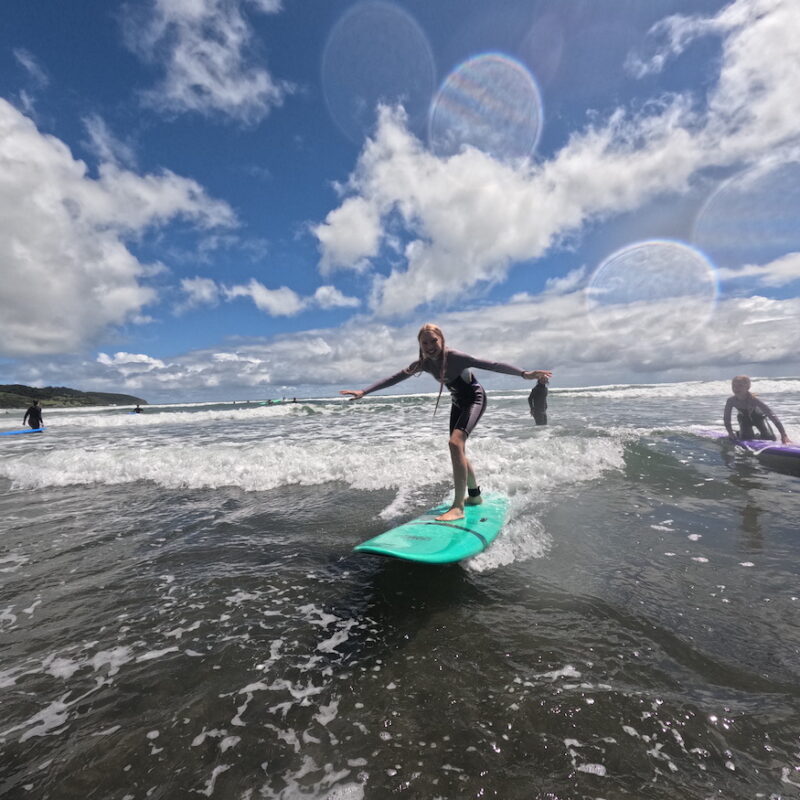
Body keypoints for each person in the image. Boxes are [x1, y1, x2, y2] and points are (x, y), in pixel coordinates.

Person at [340, 323, 552, 522]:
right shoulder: (424, 363)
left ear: (441, 340)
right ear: (420, 345)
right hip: (457, 402)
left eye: (433, 341)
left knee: (455, 444)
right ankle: (474, 496)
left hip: (474, 399)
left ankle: (458, 507)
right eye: (425, 342)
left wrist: (524, 374)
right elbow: (395, 378)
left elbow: (492, 365)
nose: (430, 346)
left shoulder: (456, 357)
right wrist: (364, 391)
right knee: (458, 449)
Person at [724, 375, 790, 444]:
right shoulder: (731, 401)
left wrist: (783, 434)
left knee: (770, 438)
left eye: (740, 385)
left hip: (759, 418)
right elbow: (726, 418)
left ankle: (759, 436)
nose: (736, 388)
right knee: (746, 438)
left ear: (747, 387)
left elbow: (770, 414)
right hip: (744, 419)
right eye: (733, 385)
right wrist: (730, 432)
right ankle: (740, 433)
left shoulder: (754, 399)